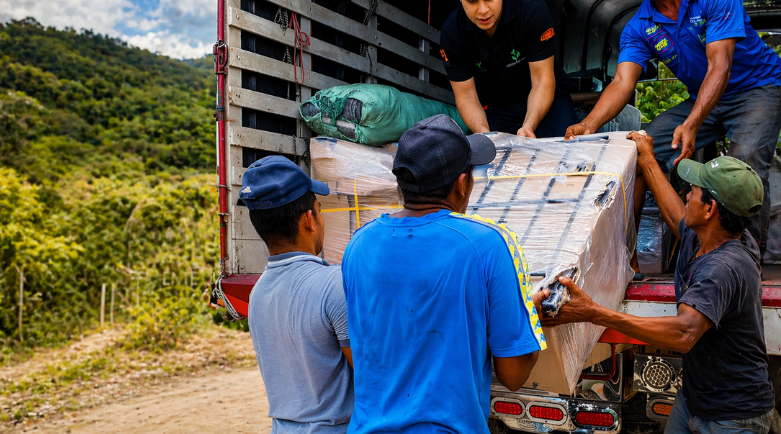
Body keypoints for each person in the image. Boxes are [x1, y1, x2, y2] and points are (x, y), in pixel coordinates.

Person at [565, 0, 781, 260]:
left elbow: (719, 67)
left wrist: (693, 124)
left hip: (758, 88)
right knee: (637, 149)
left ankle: (742, 264)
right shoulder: (640, 25)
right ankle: (627, 260)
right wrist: (589, 124)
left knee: (743, 164)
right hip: (706, 98)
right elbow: (623, 82)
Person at [545, 130, 774, 433]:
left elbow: (683, 333)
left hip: (734, 417)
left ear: (710, 210)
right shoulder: (713, 236)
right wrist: (648, 160)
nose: (686, 195)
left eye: (692, 191)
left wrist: (592, 312)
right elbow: (675, 214)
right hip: (695, 399)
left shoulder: (723, 268)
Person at [340, 114, 549, 433]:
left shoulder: (359, 242)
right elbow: (514, 374)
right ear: (462, 183)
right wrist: (529, 316)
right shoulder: (488, 244)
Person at [240, 156, 353, 434]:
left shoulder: (258, 294)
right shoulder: (334, 285)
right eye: (319, 210)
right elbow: (373, 376)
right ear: (309, 220)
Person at [439, 0, 579, 138]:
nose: (483, 10)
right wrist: (484, 135)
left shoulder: (532, 11)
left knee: (566, 159)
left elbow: (542, 80)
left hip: (549, 104)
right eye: (472, 1)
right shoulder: (451, 33)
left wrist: (528, 126)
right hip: (496, 109)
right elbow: (466, 96)